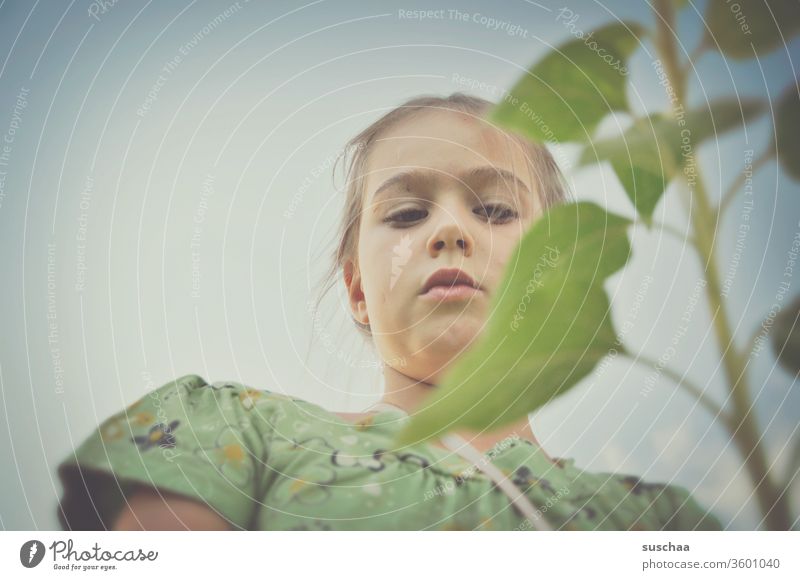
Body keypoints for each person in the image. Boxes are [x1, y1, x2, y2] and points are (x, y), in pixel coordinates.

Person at [56, 93, 724, 531]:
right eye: (406, 213)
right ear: (356, 290)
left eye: (494, 209)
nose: (450, 232)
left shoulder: (661, 523)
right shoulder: (235, 431)